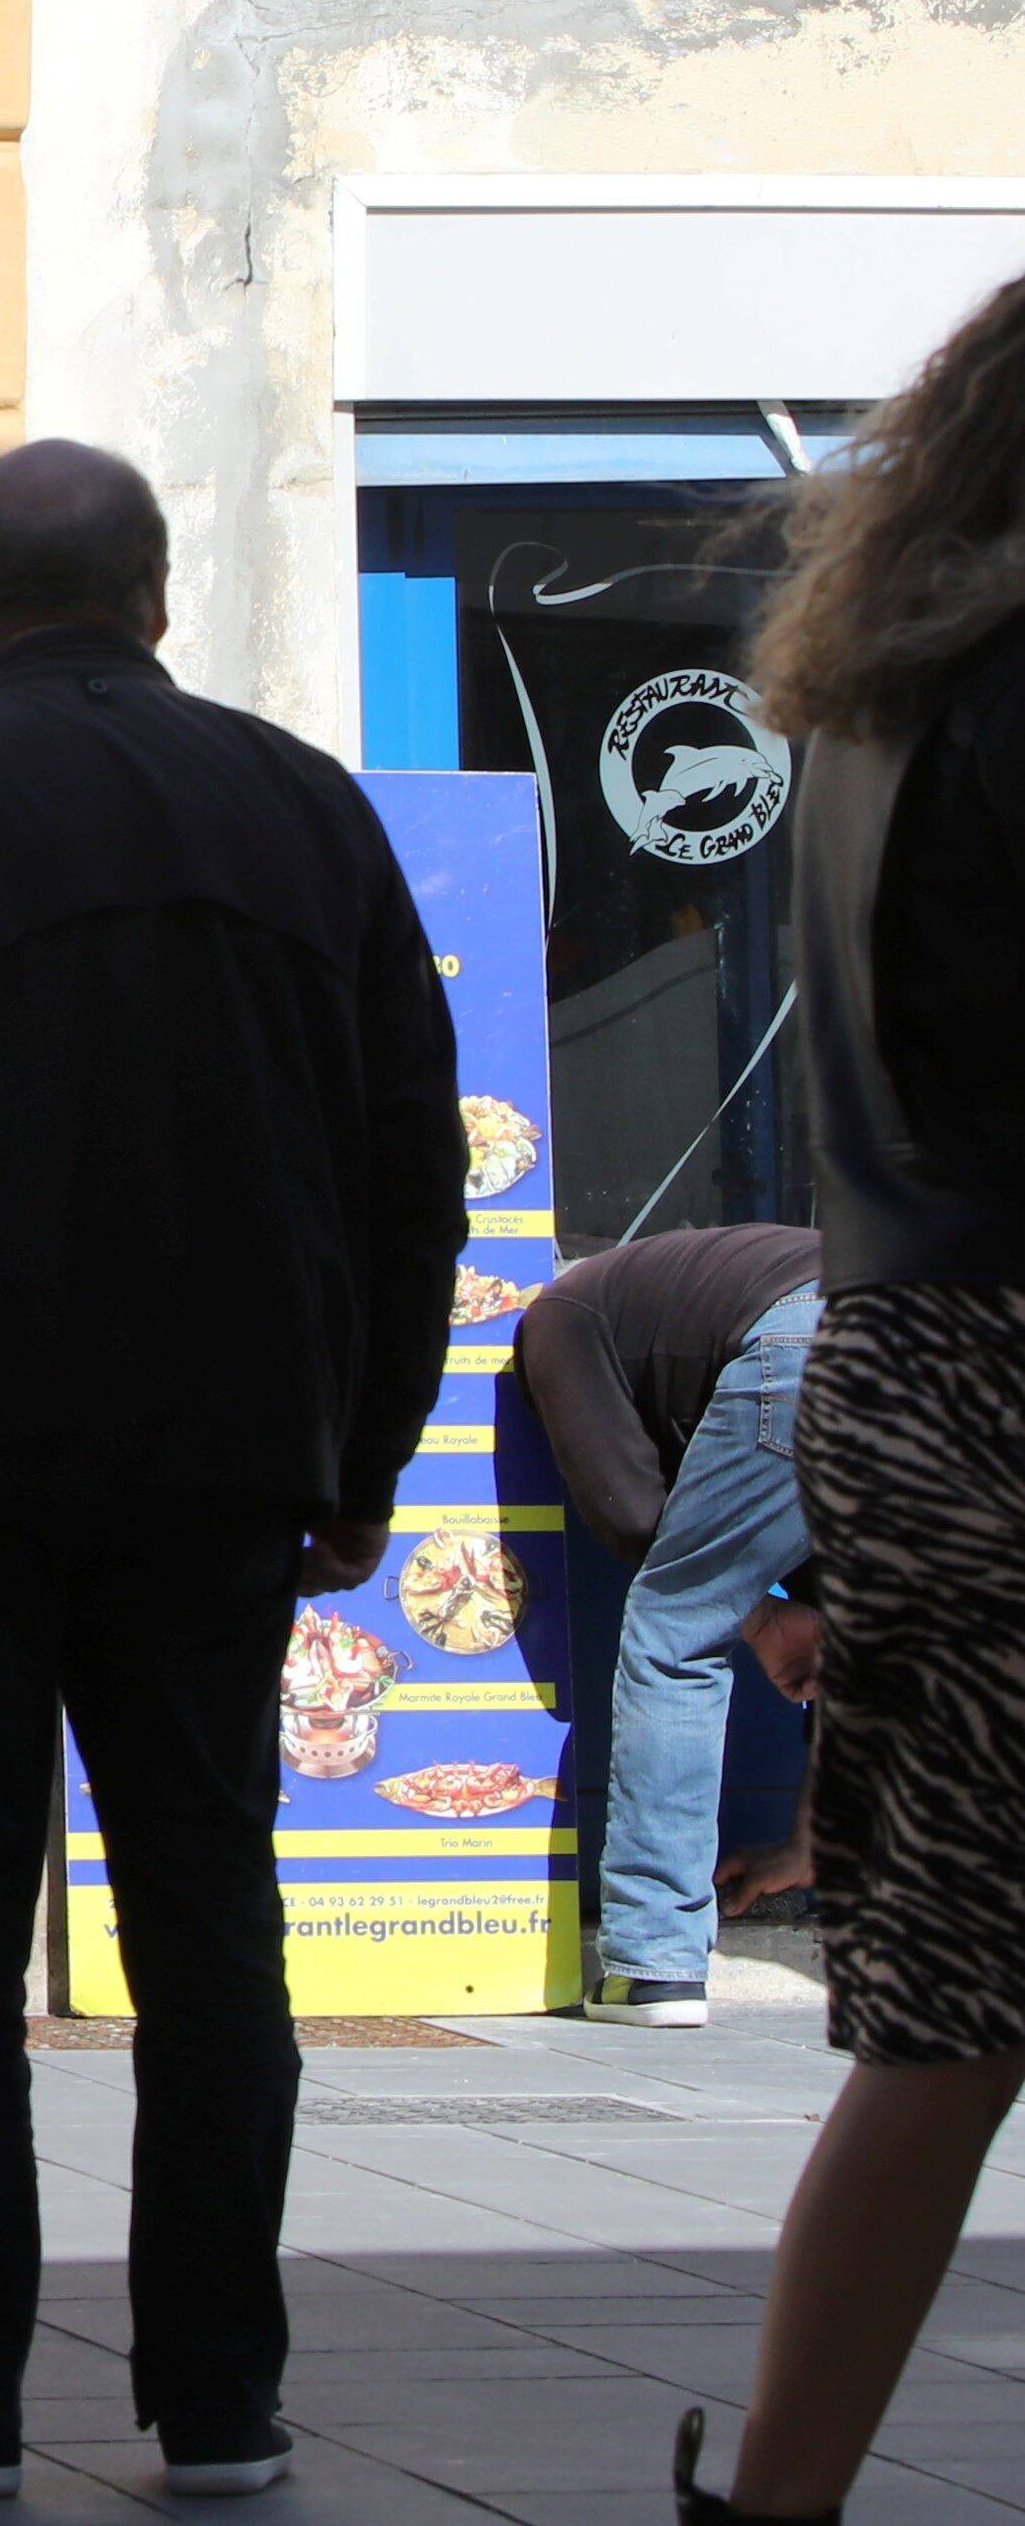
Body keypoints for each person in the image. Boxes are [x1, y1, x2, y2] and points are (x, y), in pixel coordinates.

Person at [0, 442, 461, 2505]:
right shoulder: (301, 808)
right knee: (208, 1916)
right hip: (229, 1463)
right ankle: (217, 2398)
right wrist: (363, 1446)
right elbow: (405, 1162)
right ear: (153, 596)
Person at [677, 272, 1025, 2526]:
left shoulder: (882, 690)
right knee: (952, 2012)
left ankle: (781, 2494)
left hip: (902, 1364)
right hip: (1004, 1363)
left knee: (947, 2010)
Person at [513, 1225, 822, 2028]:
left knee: (676, 1635)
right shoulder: (705, 1277)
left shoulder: (559, 1314)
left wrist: (753, 1619)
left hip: (819, 1343)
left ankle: (655, 1964)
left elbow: (627, 1512)